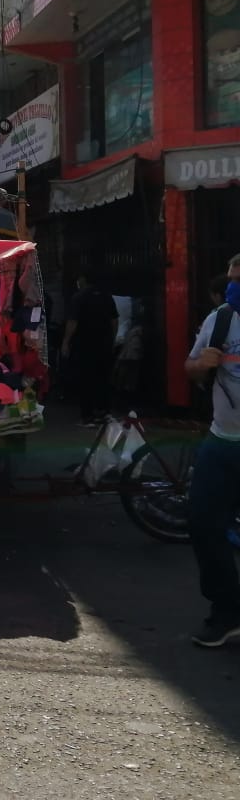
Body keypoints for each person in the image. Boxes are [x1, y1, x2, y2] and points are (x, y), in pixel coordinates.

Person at [183, 253, 240, 647]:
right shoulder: (221, 318)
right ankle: (227, 612)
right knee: (203, 523)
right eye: (233, 277)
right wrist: (201, 365)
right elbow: (190, 368)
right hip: (222, 442)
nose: (233, 284)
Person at [61, 271, 118, 427]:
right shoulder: (107, 296)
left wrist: (66, 342)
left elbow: (73, 322)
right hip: (104, 344)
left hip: (84, 345)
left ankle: (88, 417)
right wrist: (112, 339)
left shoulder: (79, 297)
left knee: (86, 380)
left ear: (82, 279)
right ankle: (104, 413)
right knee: (103, 378)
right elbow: (114, 320)